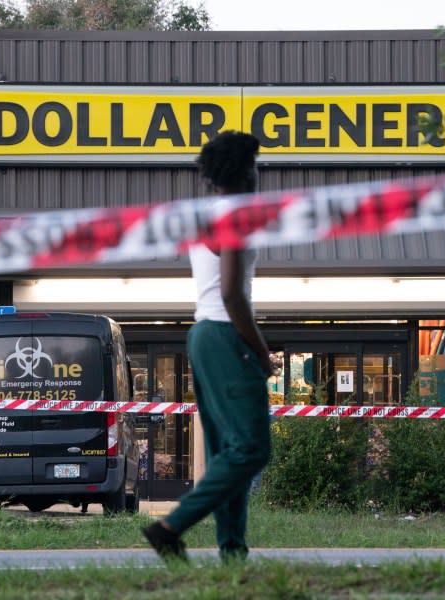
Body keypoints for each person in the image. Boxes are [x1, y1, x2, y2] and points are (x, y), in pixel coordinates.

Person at [142, 131, 273, 563]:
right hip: (224, 332)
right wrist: (260, 349)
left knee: (225, 451)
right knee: (251, 450)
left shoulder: (207, 214)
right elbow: (234, 294)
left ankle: (233, 554)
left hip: (202, 333)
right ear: (245, 170)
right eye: (256, 165)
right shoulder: (235, 216)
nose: (259, 174)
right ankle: (169, 526)